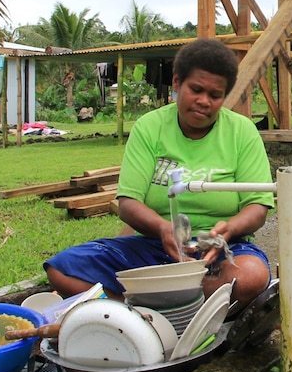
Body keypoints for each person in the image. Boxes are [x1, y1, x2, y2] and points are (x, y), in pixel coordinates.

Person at [44, 38, 274, 312]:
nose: (204, 101)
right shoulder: (149, 127)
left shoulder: (242, 132)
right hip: (156, 248)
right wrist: (164, 229)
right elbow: (129, 203)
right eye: (196, 89)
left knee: (250, 276)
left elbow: (258, 206)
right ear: (177, 83)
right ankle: (142, 312)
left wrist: (231, 228)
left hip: (221, 252)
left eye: (215, 95)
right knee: (62, 269)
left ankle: (154, 306)